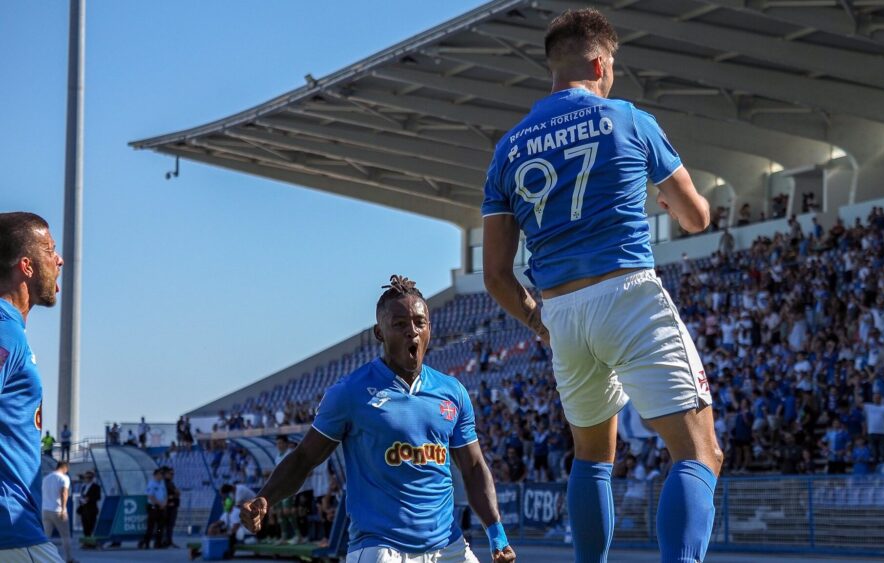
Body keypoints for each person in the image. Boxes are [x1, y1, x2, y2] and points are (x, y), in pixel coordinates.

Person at [479, 10, 720, 563]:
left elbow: (496, 275)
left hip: (562, 313)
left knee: (591, 457)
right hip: (628, 294)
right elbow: (697, 218)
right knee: (698, 453)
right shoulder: (628, 119)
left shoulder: (509, 149)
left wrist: (539, 321)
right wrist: (670, 203)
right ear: (599, 63)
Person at [240, 276, 515, 563]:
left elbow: (472, 467)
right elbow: (304, 458)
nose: (412, 332)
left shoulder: (452, 392)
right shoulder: (350, 393)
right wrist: (266, 497)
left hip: (448, 546)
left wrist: (498, 535)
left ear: (430, 329)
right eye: (399, 324)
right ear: (379, 332)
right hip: (381, 548)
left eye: (419, 323)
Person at [0, 212, 66, 563]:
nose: (60, 260)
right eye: (50, 250)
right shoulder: (4, 330)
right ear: (26, 266)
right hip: (11, 534)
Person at [41, 462, 77, 563]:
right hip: (57, 510)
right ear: (65, 468)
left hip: (45, 510)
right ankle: (69, 559)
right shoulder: (63, 478)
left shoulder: (46, 478)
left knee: (45, 537)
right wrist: (63, 509)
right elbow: (64, 493)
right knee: (65, 536)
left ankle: (43, 558)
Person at [140, 468, 167, 549]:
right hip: (153, 507)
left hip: (161, 507)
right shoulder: (151, 484)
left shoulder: (162, 484)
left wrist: (164, 503)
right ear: (156, 475)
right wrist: (159, 503)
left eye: (162, 474)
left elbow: (165, 495)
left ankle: (158, 542)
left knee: (160, 526)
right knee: (151, 526)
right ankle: (146, 542)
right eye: (160, 474)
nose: (161, 476)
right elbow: (151, 496)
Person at [863, 393, 884, 464]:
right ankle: (876, 467)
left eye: (878, 398)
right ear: (873, 399)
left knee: (883, 451)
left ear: (881, 399)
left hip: (882, 432)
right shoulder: (868, 406)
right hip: (872, 432)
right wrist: (856, 388)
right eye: (875, 398)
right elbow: (857, 403)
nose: (876, 399)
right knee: (874, 452)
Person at [76, 470, 101, 538]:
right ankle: (86, 542)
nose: (87, 479)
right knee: (85, 527)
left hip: (91, 509)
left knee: (91, 526)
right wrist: (81, 500)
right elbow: (81, 496)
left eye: (88, 477)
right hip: (84, 509)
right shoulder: (84, 487)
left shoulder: (96, 486)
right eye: (86, 477)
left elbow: (98, 497)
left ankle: (90, 542)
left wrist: (89, 499)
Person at [163, 467, 181, 548]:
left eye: (173, 474)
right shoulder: (164, 484)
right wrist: (173, 495)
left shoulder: (171, 483)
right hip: (168, 507)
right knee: (165, 525)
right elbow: (168, 495)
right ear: (166, 474)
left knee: (170, 525)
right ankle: (164, 540)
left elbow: (177, 493)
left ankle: (169, 540)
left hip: (173, 506)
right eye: (171, 474)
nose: (172, 475)